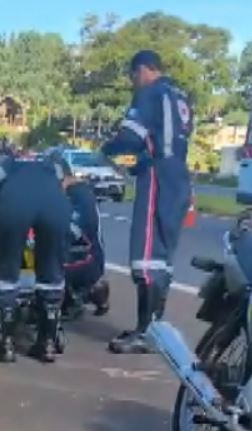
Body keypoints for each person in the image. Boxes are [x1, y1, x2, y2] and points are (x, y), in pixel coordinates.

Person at [100, 50, 194, 354]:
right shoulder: (181, 98)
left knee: (146, 255)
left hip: (159, 178)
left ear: (143, 70)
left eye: (133, 76)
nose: (133, 83)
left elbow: (131, 138)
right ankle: (154, 328)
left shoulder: (150, 94)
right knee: (164, 258)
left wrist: (107, 150)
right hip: (180, 176)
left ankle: (145, 333)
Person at [0, 151, 76, 363]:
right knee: (51, 276)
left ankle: (5, 345)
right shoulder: (52, 166)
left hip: (15, 207)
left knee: (7, 273)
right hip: (55, 207)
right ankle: (47, 344)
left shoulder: (5, 166)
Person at [58, 162, 111, 320]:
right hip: (82, 252)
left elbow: (75, 229)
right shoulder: (73, 192)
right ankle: (86, 292)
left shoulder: (80, 194)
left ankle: (79, 297)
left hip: (87, 256)